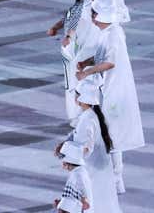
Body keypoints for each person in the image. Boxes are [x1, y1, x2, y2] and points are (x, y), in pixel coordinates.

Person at [76, 3, 145, 194]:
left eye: (95, 14)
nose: (93, 17)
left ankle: (116, 178)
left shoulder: (113, 35)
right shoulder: (108, 32)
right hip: (107, 88)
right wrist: (87, 62)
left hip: (114, 92)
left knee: (112, 134)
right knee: (108, 133)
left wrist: (87, 71)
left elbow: (109, 62)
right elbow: (102, 56)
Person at [56, 82, 121, 213]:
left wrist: (64, 149)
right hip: (98, 167)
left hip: (91, 168)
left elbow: (86, 149)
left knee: (93, 203)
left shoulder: (87, 119)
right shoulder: (93, 115)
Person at [48, 0, 102, 122]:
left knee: (73, 83)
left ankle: (76, 115)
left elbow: (72, 22)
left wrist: (67, 37)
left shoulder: (80, 5)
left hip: (78, 51)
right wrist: (56, 27)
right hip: (94, 49)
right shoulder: (97, 2)